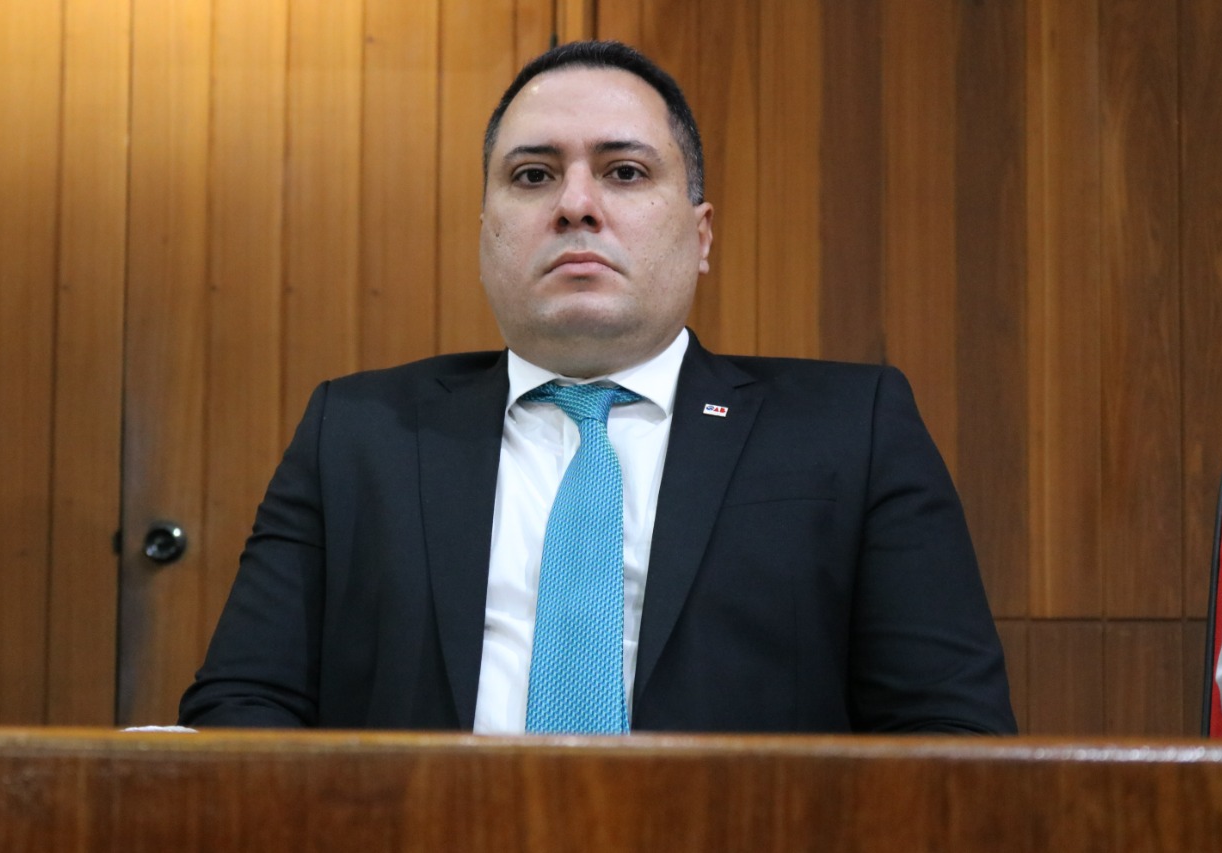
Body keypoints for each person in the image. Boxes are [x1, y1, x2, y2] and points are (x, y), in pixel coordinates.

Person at [178, 40, 1016, 734]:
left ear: (700, 235)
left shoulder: (851, 430)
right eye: (533, 176)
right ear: (485, 237)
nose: (576, 205)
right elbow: (243, 706)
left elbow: (951, 733)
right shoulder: (356, 434)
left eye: (624, 172)